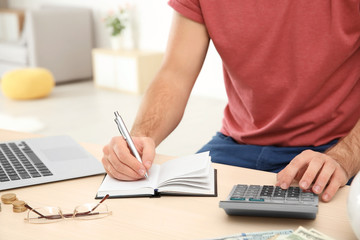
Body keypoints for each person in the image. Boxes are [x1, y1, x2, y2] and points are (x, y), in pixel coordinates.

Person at [101, 1, 360, 202]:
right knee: (160, 213)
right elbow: (175, 73)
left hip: (333, 148)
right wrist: (138, 141)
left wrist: (344, 158)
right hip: (235, 146)